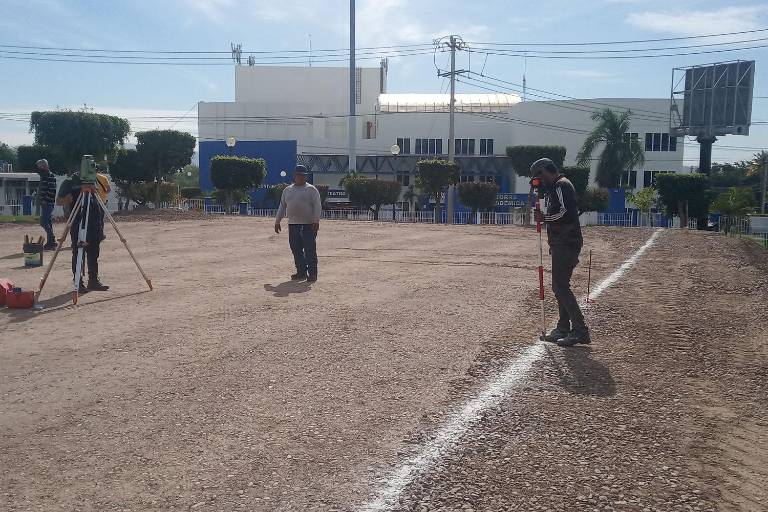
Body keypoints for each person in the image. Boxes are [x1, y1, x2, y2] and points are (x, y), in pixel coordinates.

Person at [531, 158, 589, 347]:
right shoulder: (553, 188)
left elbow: (564, 212)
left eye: (539, 175)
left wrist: (545, 218)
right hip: (560, 242)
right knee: (559, 286)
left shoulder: (562, 185)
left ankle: (579, 330)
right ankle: (563, 327)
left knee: (561, 286)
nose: (538, 180)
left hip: (567, 241)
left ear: (545, 171)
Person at [56, 172, 109, 292]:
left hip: (95, 223)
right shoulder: (69, 182)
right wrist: (70, 197)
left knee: (94, 253)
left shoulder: (93, 180)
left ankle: (93, 281)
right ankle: (78, 282)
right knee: (78, 252)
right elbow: (59, 201)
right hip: (79, 223)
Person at [274, 165, 322, 282]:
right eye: (299, 175)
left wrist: (316, 221)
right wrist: (277, 221)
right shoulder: (287, 190)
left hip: (309, 225)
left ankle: (312, 273)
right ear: (294, 176)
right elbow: (282, 206)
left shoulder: (311, 189)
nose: (301, 177)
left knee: (310, 249)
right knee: (296, 249)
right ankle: (301, 272)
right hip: (293, 224)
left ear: (306, 177)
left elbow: (317, 206)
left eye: (303, 176)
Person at [35, 159, 58, 250]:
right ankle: (50, 242)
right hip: (46, 202)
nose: (39, 169)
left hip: (47, 203)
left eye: (39, 167)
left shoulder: (49, 175)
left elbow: (51, 190)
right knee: (48, 222)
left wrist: (45, 200)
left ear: (44, 166)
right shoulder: (45, 175)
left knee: (43, 222)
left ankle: (52, 240)